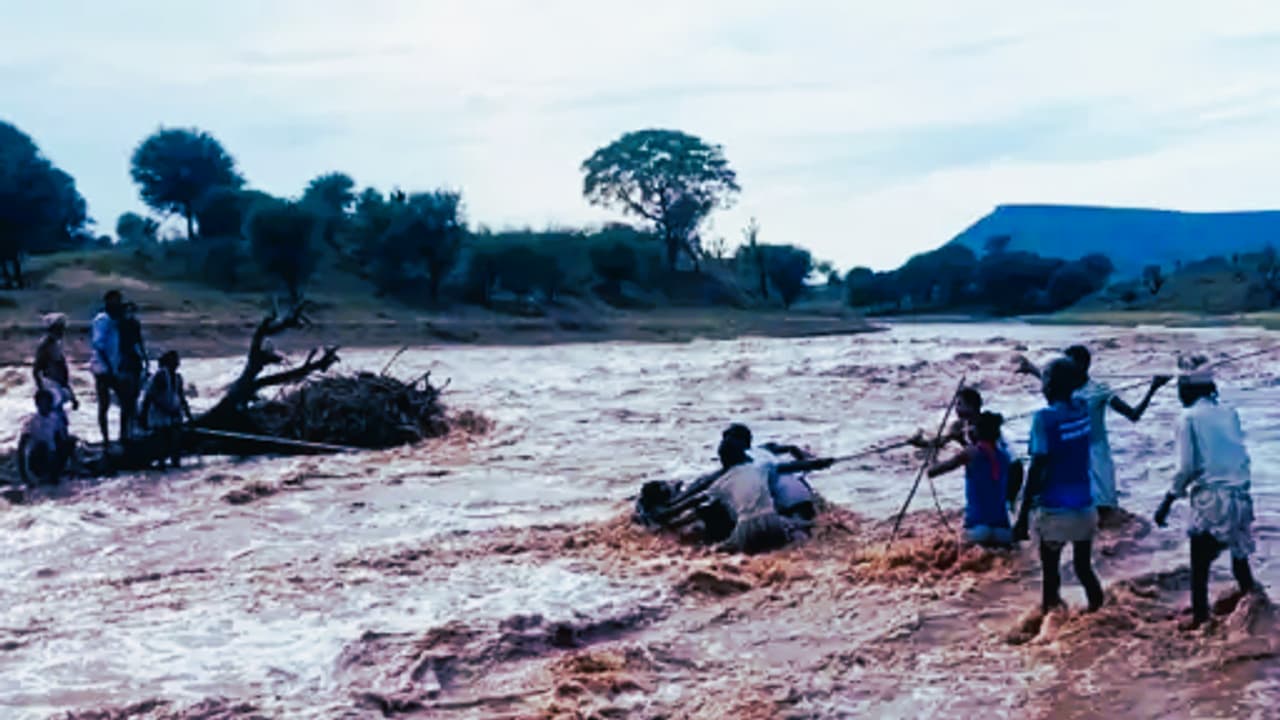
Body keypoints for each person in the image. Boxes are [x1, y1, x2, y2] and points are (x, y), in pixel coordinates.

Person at [1153, 361, 1258, 630]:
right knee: (1240, 562)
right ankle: (1257, 612)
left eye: (1179, 386)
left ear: (1188, 389)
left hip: (1212, 500)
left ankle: (1201, 619)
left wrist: (1167, 501)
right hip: (1241, 496)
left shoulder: (1187, 418)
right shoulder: (1229, 412)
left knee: (1199, 566)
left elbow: (1186, 468)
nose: (1178, 392)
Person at [1017, 345, 1170, 521]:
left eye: (1068, 364)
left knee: (1102, 509)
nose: (1064, 368)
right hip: (1072, 451)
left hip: (1096, 454)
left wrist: (1153, 388)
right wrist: (1032, 369)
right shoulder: (1067, 389)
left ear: (1082, 365)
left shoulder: (1098, 390)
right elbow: (1053, 382)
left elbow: (1133, 415)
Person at [1014, 359, 1105, 614]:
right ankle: (1098, 613)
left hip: (1055, 508)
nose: (1041, 385)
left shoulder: (1044, 419)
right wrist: (1039, 373)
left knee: (1050, 576)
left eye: (1043, 380)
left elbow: (1037, 467)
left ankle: (1048, 625)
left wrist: (1022, 516)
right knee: (1083, 568)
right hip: (1085, 506)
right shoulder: (1082, 408)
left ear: (1050, 386)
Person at [927, 411, 1015, 548]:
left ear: (978, 431)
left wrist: (933, 449)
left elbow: (933, 471)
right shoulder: (1004, 456)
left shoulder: (970, 453)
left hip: (977, 527)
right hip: (1003, 530)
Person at [140, 350, 192, 468]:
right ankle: (161, 464)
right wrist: (144, 416)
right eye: (175, 360)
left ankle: (175, 464)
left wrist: (188, 416)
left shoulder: (178, 378)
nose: (178, 362)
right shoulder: (161, 375)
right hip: (159, 414)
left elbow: (181, 397)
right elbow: (151, 396)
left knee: (176, 440)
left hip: (173, 412)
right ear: (169, 362)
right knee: (162, 441)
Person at [90, 290, 125, 446]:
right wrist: (110, 367)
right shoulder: (102, 320)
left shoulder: (115, 320)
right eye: (116, 301)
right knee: (104, 405)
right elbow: (99, 345)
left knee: (124, 402)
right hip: (103, 368)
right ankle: (106, 439)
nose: (118, 304)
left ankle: (122, 435)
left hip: (113, 367)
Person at [18, 389, 73, 485]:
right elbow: (22, 446)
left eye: (47, 403)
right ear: (37, 404)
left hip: (53, 455)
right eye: (42, 403)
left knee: (69, 441)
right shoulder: (31, 421)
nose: (45, 406)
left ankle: (57, 473)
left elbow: (61, 438)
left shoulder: (55, 419)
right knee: (42, 446)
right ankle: (43, 474)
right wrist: (24, 475)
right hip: (37, 457)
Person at [115, 301, 148, 441]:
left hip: (133, 363)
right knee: (125, 401)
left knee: (133, 399)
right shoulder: (119, 325)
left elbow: (139, 342)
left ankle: (131, 431)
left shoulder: (134, 324)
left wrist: (145, 359)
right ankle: (124, 433)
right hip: (124, 364)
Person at [33, 313, 78, 415]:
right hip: (50, 385)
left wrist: (71, 395)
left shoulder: (56, 344)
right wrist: (42, 391)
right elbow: (36, 370)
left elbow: (62, 371)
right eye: (60, 328)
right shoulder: (45, 345)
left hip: (58, 386)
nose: (62, 331)